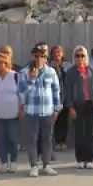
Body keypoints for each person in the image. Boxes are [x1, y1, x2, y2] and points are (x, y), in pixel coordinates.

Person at [19, 45, 61, 177]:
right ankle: (33, 165)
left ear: (45, 57)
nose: (39, 59)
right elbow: (22, 92)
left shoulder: (51, 72)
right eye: (36, 56)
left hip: (47, 112)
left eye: (42, 56)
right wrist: (31, 79)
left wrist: (56, 109)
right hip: (31, 112)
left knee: (47, 139)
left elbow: (56, 90)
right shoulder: (24, 72)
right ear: (32, 56)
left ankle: (46, 165)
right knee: (32, 139)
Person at [65, 46, 93, 169]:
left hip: (90, 104)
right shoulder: (71, 72)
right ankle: (80, 159)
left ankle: (89, 159)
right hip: (77, 105)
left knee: (89, 133)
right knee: (79, 133)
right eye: (77, 56)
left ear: (86, 57)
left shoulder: (91, 70)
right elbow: (67, 91)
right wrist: (70, 107)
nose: (80, 58)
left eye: (82, 55)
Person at [0, 52, 21, 173]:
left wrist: (22, 110)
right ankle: (3, 162)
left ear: (7, 64)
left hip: (13, 114)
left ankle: (13, 161)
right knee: (1, 139)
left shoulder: (16, 76)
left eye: (1, 63)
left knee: (12, 138)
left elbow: (21, 95)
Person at [49, 45, 71, 151]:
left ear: (62, 54)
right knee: (55, 120)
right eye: (55, 52)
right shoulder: (48, 66)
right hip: (53, 97)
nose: (57, 54)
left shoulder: (67, 66)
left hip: (65, 96)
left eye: (59, 52)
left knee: (64, 120)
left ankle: (63, 141)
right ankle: (57, 141)